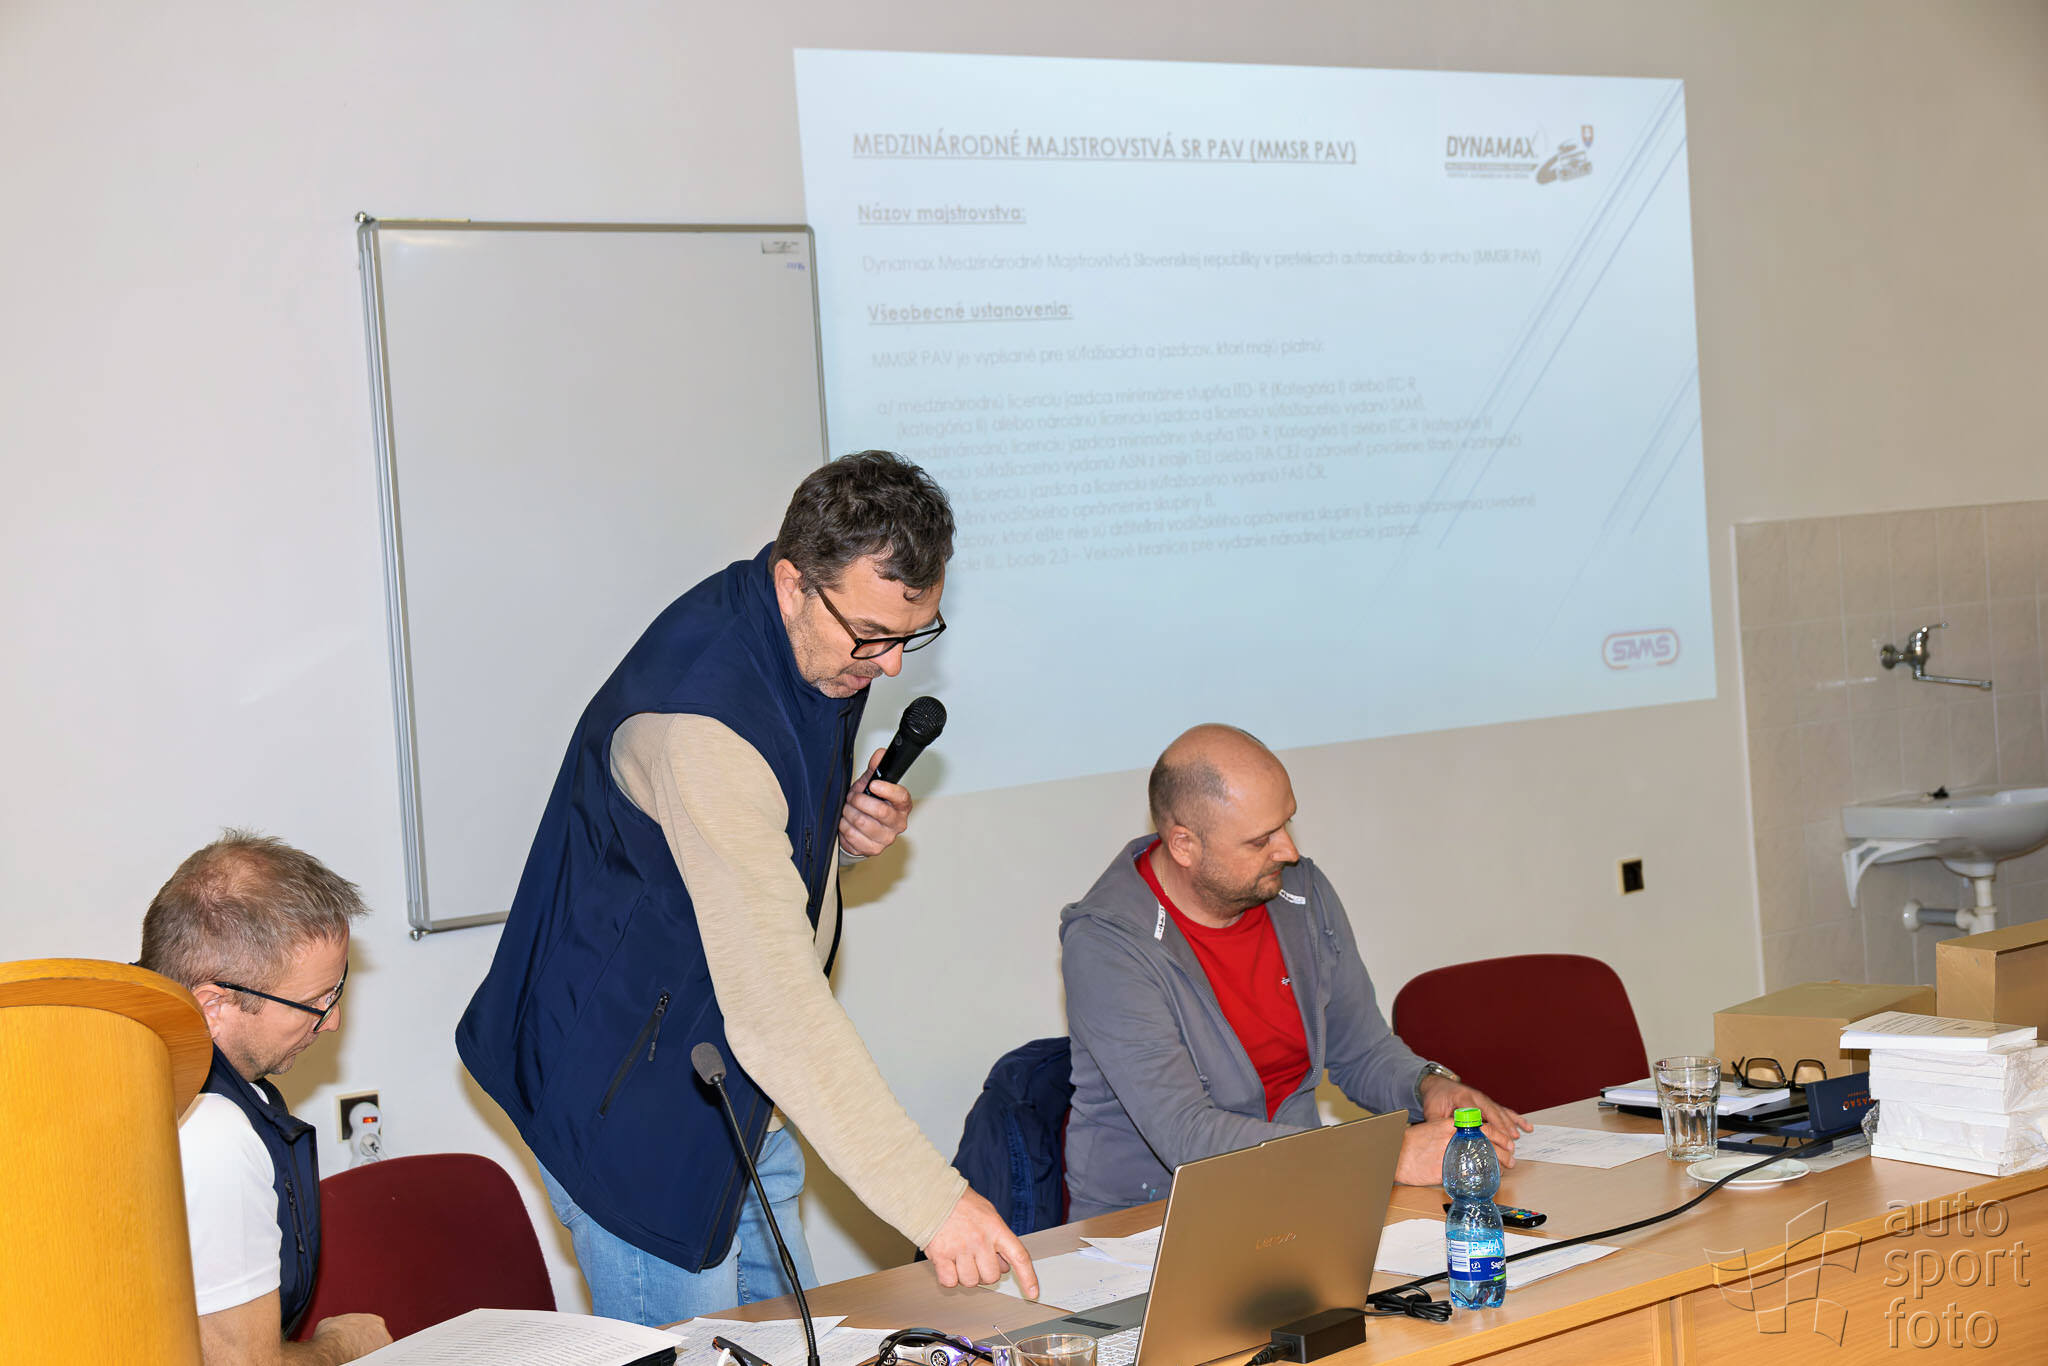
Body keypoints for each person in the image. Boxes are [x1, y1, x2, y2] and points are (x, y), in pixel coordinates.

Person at [457, 450, 1036, 1325]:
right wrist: (936, 1204)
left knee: (801, 1338)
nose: (890, 666)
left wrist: (830, 841)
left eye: (912, 635)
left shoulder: (816, 641)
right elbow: (776, 1010)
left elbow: (738, 858)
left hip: (734, 1082)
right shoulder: (705, 730)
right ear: (793, 582)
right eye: (873, 636)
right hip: (632, 1102)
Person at [1060, 725, 1532, 1217]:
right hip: (1152, 1219)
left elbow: (1361, 1050)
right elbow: (1188, 1135)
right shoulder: (1106, 944)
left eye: (1286, 824)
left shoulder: (1297, 892)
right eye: (1260, 840)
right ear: (1184, 845)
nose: (1287, 851)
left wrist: (1430, 1087)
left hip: (1302, 1192)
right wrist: (1385, 1156)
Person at [140, 831, 391, 1366]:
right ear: (213, 1006)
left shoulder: (108, 1054)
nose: (332, 1022)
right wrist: (344, 1347)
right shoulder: (210, 1130)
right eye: (315, 1001)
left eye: (338, 989)